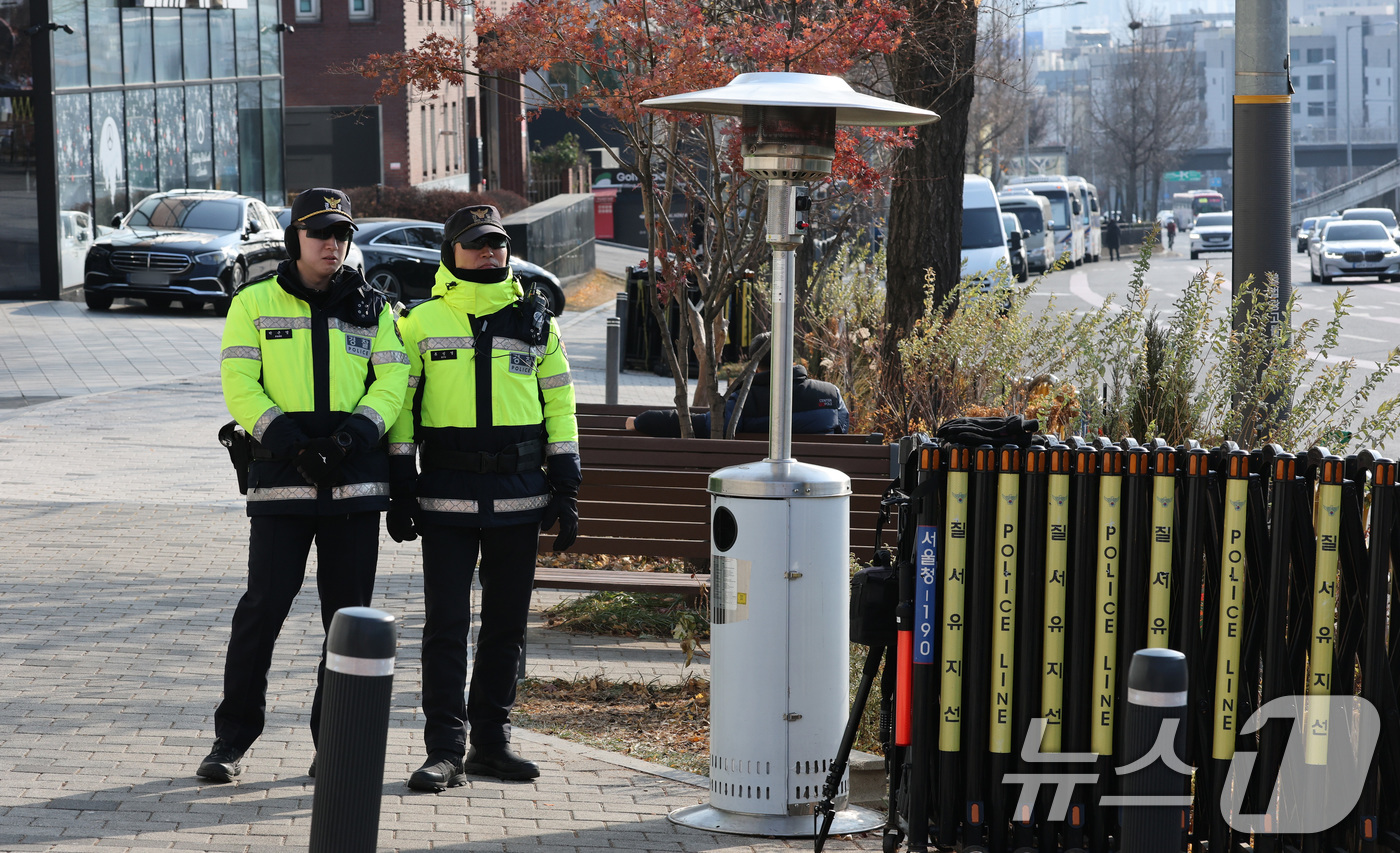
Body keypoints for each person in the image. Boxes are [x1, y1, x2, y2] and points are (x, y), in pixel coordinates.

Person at [199, 188, 410, 783]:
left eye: (341, 234)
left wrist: (347, 443)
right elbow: (239, 382)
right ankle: (231, 742)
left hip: (354, 487)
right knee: (261, 612)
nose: (332, 244)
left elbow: (393, 386)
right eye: (320, 233)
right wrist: (293, 444)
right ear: (295, 237)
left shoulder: (377, 308)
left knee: (345, 624)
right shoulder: (253, 301)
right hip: (281, 485)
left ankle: (334, 745)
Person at [387, 204, 580, 791]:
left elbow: (560, 406)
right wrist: (401, 487)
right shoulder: (418, 323)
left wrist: (567, 487)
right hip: (445, 497)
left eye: (497, 243)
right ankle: (444, 749)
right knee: (445, 626)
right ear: (452, 252)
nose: (490, 252)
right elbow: (401, 412)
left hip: (520, 498)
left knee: (505, 628)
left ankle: (491, 744)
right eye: (476, 244)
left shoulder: (537, 321)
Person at [626, 331, 850, 438]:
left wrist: (642, 420)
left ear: (754, 365)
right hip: (818, 489)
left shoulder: (744, 400)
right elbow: (843, 427)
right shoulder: (830, 394)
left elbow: (707, 426)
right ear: (792, 360)